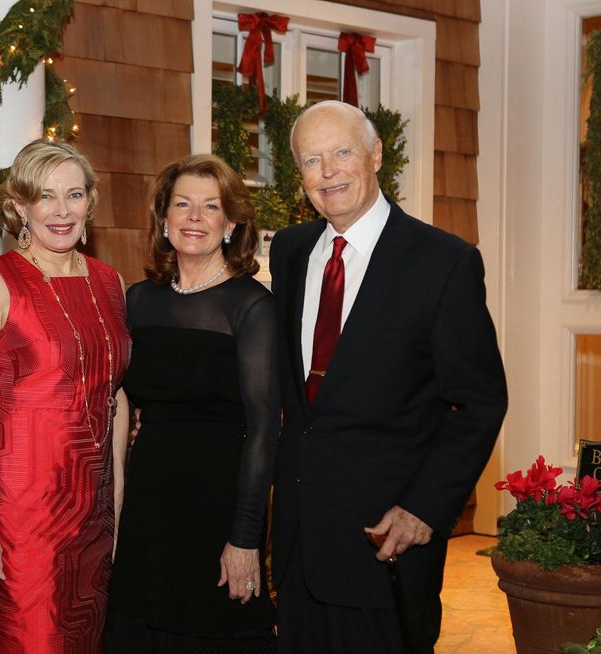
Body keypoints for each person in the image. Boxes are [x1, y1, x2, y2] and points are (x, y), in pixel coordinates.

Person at [268, 100, 508, 654]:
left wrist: (425, 507)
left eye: (342, 152)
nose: (327, 172)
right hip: (301, 540)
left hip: (387, 538)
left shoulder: (443, 262)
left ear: (375, 155)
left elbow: (480, 402)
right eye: (311, 160)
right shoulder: (290, 251)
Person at [106, 154, 278, 653]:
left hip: (218, 509)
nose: (194, 217)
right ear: (164, 219)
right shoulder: (138, 300)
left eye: (210, 206)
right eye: (182, 204)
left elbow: (264, 429)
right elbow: (123, 401)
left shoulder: (251, 306)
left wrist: (245, 538)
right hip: (149, 509)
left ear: (230, 224)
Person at [0, 138, 131, 653]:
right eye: (46, 196)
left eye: (74, 195)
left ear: (90, 202)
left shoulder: (110, 282)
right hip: (19, 517)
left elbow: (115, 396)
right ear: (19, 206)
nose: (62, 211)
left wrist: (117, 500)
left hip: (92, 511)